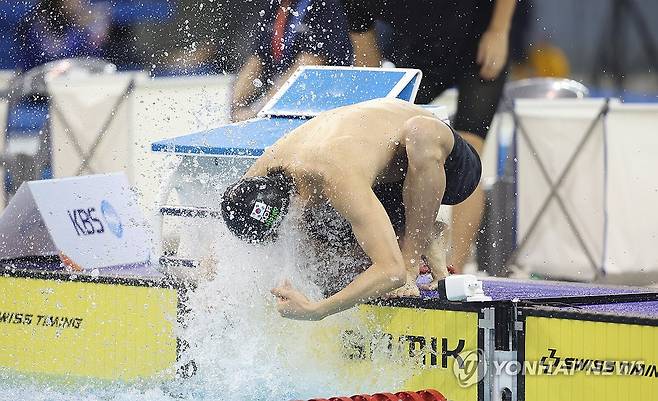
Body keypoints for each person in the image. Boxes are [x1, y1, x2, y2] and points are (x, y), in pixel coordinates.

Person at [220, 98, 481, 320]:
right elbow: (222, 237)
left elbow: (390, 273)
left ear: (295, 203)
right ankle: (423, 234)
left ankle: (412, 255)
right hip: (384, 178)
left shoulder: (337, 178)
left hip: (449, 166)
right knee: (331, 271)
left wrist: (316, 310)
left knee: (421, 133)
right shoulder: (262, 173)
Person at [345, 0, 516, 273]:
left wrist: (499, 30)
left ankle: (454, 267)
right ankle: (390, 250)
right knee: (388, 143)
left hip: (478, 44)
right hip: (419, 54)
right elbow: (368, 63)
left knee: (469, 147)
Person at [230, 0, 352, 122]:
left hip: (323, 107)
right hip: (280, 104)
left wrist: (258, 110)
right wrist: (236, 108)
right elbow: (256, 61)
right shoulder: (275, 5)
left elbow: (307, 64)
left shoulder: (326, 5)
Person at [15, 0, 109, 72]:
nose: (79, 2)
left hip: (70, 86)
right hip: (38, 90)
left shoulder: (81, 28)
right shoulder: (36, 25)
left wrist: (96, 34)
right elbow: (49, 55)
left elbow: (92, 63)